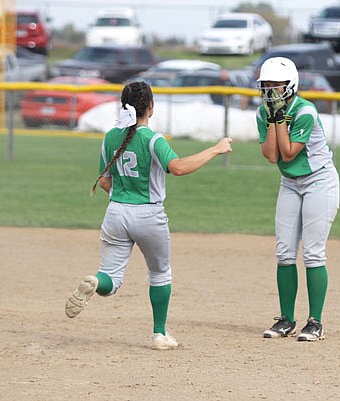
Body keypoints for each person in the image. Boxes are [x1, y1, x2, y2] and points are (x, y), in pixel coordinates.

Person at [65, 81, 232, 350]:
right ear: (150, 108)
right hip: (148, 215)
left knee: (111, 278)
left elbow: (105, 181)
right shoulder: (153, 139)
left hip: (116, 213)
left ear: (123, 106)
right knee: (160, 273)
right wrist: (215, 149)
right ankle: (159, 334)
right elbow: (177, 168)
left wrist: (121, 196)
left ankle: (97, 282)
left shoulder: (110, 137)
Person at [255, 57, 340, 342]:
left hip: (319, 181)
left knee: (313, 252)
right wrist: (273, 118)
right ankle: (286, 319)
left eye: (275, 85)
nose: (269, 91)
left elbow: (290, 152)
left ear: (290, 86)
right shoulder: (262, 112)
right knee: (284, 252)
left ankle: (315, 321)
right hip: (290, 183)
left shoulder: (305, 111)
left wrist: (279, 118)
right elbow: (271, 156)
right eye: (265, 85)